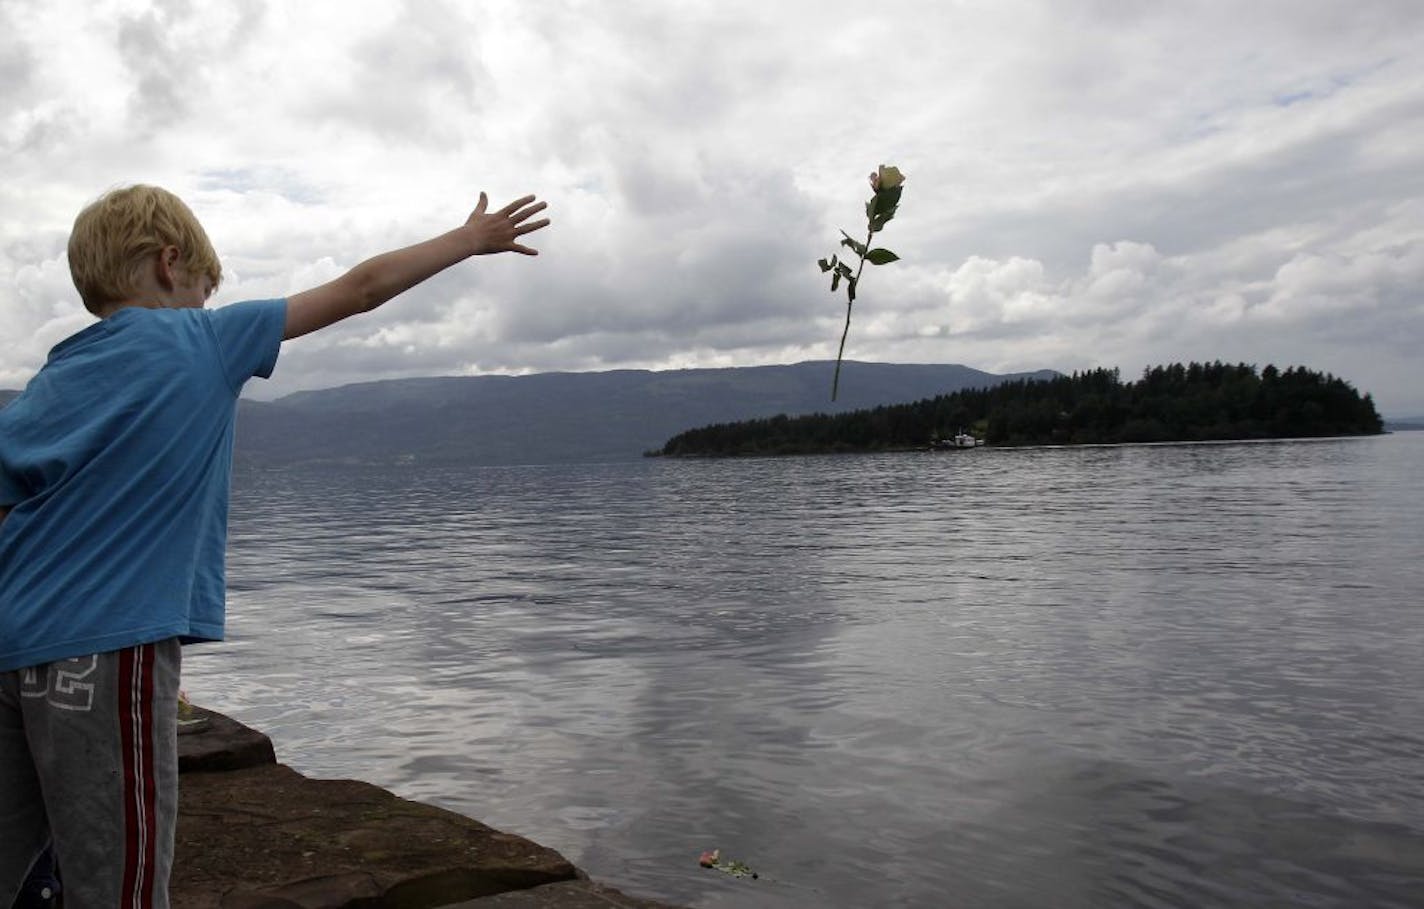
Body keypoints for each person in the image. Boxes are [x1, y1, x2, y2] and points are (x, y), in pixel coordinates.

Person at [0, 184, 549, 907]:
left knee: (20, 863)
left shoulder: (52, 377)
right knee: (118, 878)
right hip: (106, 645)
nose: (204, 300)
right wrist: (466, 240)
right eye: (202, 285)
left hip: (13, 643)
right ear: (171, 265)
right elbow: (359, 289)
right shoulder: (205, 339)